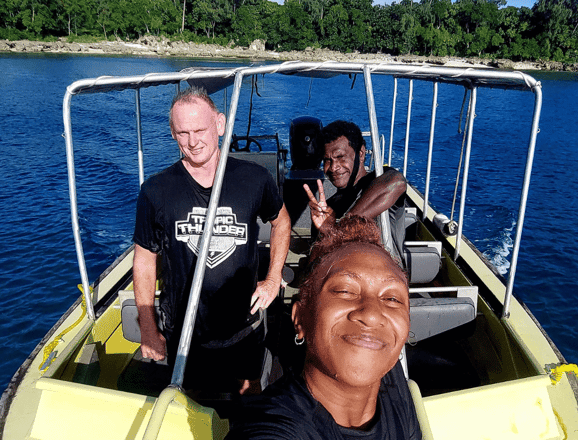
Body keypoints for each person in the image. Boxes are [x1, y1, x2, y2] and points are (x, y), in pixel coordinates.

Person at [132, 87, 291, 395]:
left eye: (200, 130)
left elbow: (281, 221)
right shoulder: (155, 191)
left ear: (220, 124)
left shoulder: (254, 179)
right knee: (193, 404)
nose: (193, 142)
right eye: (183, 132)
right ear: (173, 134)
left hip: (244, 326)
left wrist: (272, 280)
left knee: (250, 395)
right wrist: (149, 329)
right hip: (185, 331)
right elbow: (144, 260)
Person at [226, 216, 422, 439]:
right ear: (300, 319)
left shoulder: (390, 374)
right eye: (345, 291)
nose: (371, 315)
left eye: (392, 299)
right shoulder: (273, 427)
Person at [304, 120, 407, 249]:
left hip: (388, 266)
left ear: (361, 154)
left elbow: (397, 182)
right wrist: (326, 231)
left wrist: (342, 226)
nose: (333, 167)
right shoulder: (328, 208)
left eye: (341, 157)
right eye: (327, 160)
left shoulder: (378, 182)